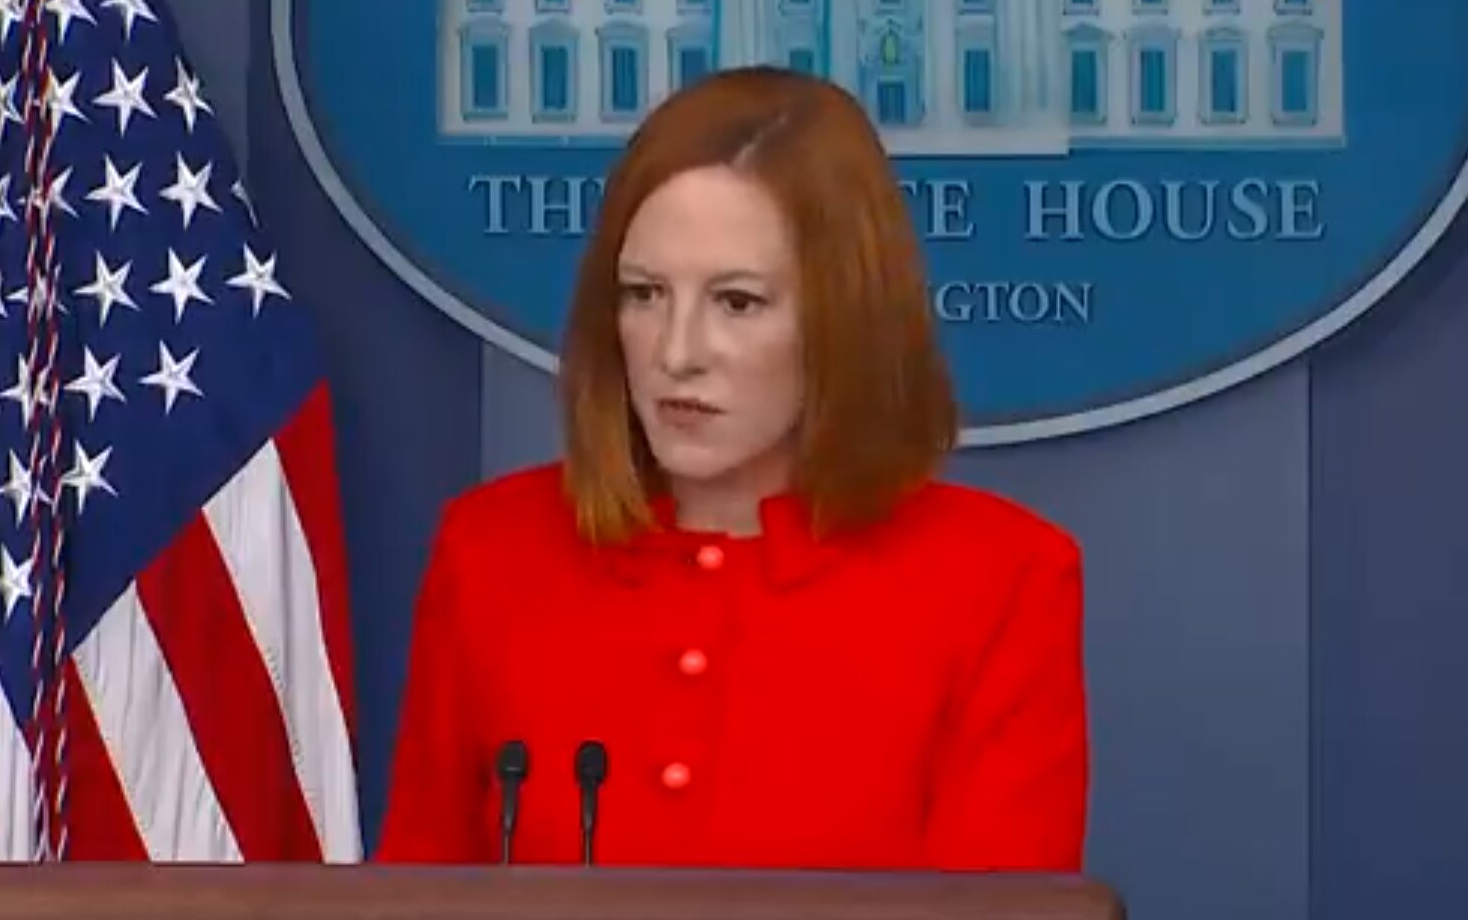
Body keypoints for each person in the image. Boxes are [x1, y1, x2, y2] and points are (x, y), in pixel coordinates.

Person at [371, 66, 1089, 875]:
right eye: (645, 294)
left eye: (737, 302)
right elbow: (415, 915)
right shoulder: (492, 552)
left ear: (846, 317)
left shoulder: (1000, 582)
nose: (677, 353)